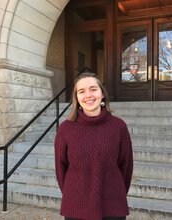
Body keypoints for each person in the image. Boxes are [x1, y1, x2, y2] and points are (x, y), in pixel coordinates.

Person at [54, 72, 133, 220]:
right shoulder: (66, 129)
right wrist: (73, 196)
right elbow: (60, 168)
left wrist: (118, 194)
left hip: (113, 205)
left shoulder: (118, 126)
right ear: (76, 97)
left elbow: (126, 167)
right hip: (75, 206)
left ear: (102, 94)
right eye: (81, 91)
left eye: (93, 89)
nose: (88, 95)